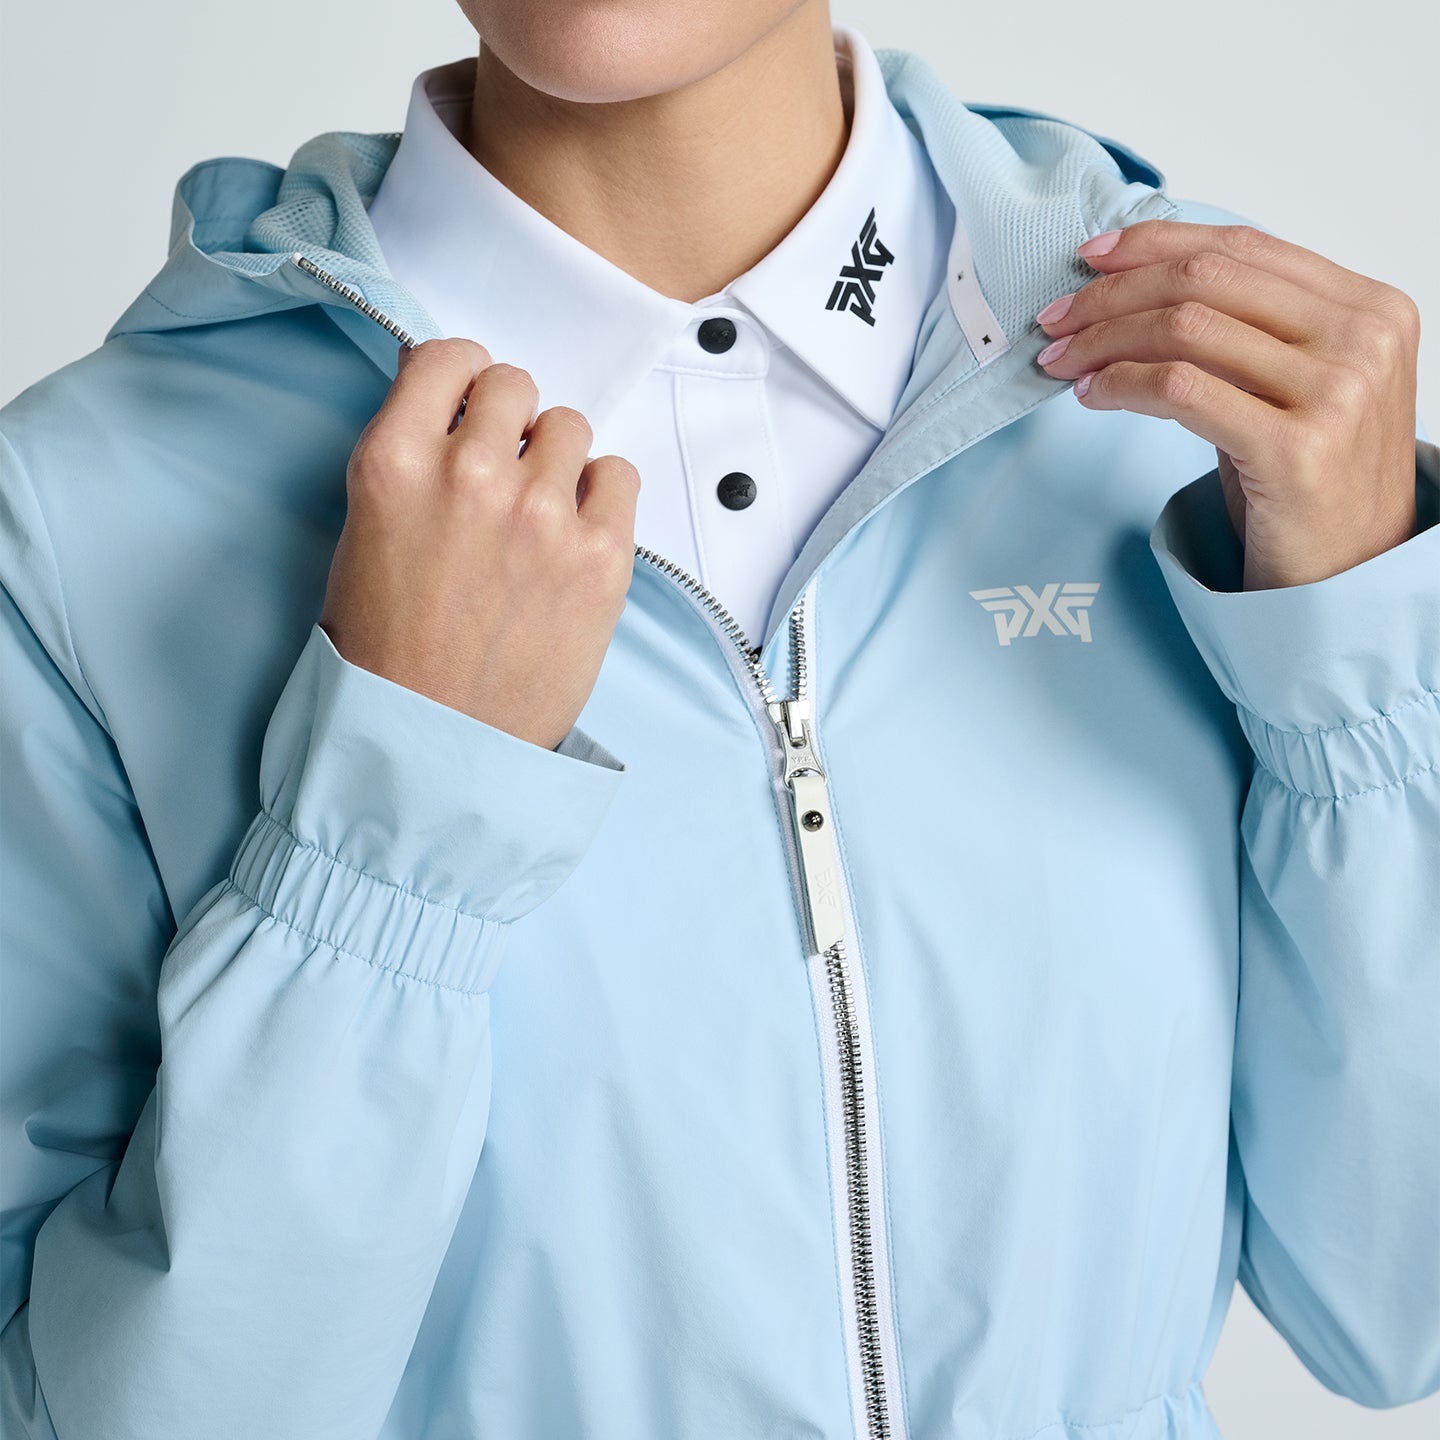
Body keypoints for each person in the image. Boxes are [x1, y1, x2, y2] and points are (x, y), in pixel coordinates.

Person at [1, 0, 1435, 1434]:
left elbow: (1396, 1306)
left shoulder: (1220, 389)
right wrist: (393, 828)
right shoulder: (79, 513)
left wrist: (1361, 672)